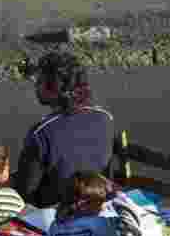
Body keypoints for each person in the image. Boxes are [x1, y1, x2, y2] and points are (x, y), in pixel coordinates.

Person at [12, 51, 115, 208]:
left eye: (40, 80)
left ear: (53, 88)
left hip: (56, 210)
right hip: (97, 200)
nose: (36, 85)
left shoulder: (41, 133)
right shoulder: (105, 118)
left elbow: (26, 191)